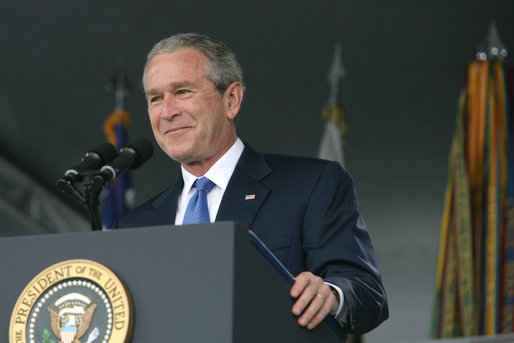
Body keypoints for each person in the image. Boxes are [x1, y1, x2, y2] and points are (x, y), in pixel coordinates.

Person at [115, 33, 388, 335]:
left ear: (231, 100)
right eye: (155, 98)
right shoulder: (133, 227)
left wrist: (332, 294)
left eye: (182, 91)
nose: (167, 111)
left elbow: (366, 292)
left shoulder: (312, 184)